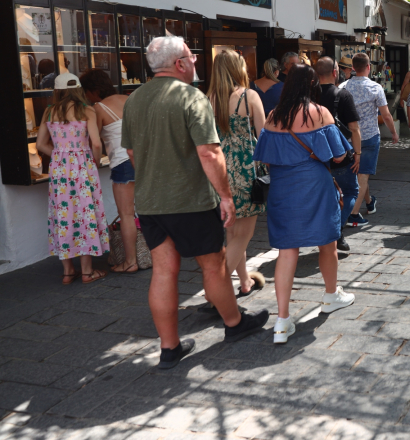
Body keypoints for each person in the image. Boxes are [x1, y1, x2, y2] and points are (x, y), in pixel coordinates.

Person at [122, 36, 269, 369]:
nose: (195, 63)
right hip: (189, 200)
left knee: (163, 270)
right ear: (179, 63)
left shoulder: (135, 99)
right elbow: (209, 152)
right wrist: (226, 196)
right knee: (212, 266)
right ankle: (234, 323)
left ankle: (170, 346)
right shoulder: (190, 97)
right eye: (191, 57)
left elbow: (131, 153)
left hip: (149, 201)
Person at [253, 65, 355, 344]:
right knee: (327, 245)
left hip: (283, 190)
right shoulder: (319, 113)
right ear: (312, 85)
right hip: (315, 186)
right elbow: (337, 157)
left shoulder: (273, 116)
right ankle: (331, 296)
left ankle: (282, 321)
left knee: (287, 253)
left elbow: (264, 156)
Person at [36, 73, 110, 284]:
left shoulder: (50, 112)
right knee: (84, 212)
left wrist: (60, 155)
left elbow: (41, 144)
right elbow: (96, 143)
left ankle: (68, 271)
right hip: (83, 168)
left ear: (57, 91)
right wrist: (93, 161)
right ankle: (87, 271)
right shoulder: (87, 110)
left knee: (63, 213)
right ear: (78, 89)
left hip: (59, 170)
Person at [207, 49, 267, 299]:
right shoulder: (249, 96)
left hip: (219, 170)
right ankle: (214, 292)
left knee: (232, 233)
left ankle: (244, 282)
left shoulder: (208, 99)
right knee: (243, 234)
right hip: (245, 169)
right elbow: (265, 138)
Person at [80, 69, 137, 274]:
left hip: (123, 163)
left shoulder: (98, 108)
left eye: (86, 92)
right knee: (149, 211)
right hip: (145, 160)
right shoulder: (130, 98)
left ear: (93, 91)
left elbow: (92, 140)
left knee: (127, 215)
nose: (86, 97)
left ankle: (130, 261)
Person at [340, 53, 399, 227]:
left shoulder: (343, 87)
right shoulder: (375, 88)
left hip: (349, 137)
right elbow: (386, 115)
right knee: (363, 174)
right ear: (368, 67)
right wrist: (394, 133)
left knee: (357, 173)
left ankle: (369, 201)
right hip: (370, 135)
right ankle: (353, 214)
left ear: (352, 68)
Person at [315, 57, 361, 253]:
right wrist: (357, 153)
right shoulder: (343, 95)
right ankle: (337, 230)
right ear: (335, 73)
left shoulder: (308, 96)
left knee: (324, 196)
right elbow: (354, 128)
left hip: (316, 156)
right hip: (340, 154)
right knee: (351, 191)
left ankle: (326, 231)